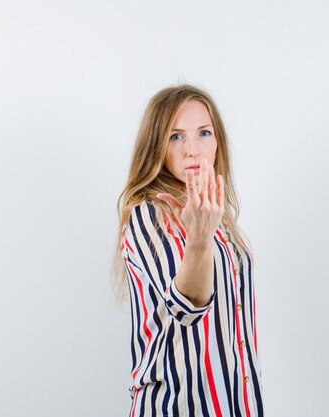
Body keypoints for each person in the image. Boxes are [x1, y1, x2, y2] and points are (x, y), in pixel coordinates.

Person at [114, 84, 263, 417]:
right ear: (157, 146)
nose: (193, 150)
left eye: (204, 133)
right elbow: (186, 309)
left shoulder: (217, 218)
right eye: (176, 136)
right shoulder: (149, 215)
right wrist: (198, 240)